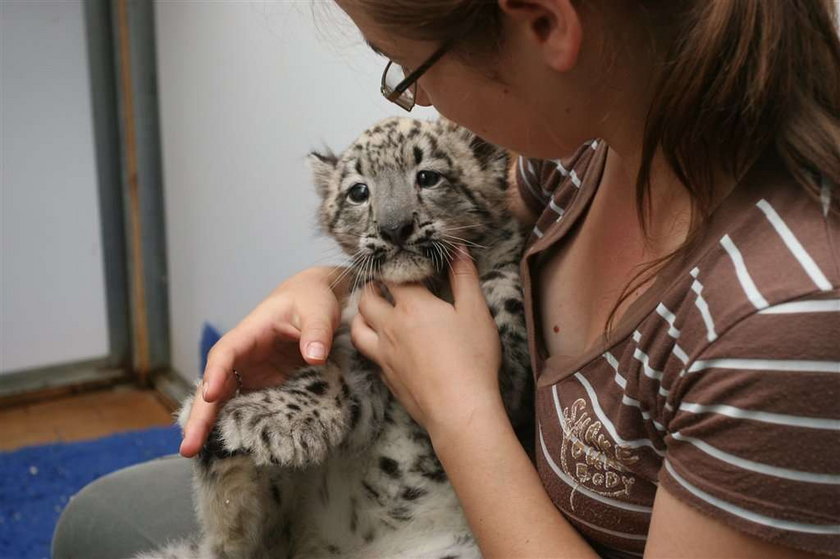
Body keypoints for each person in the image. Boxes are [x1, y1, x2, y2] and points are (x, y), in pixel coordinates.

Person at [54, 1, 839, 557]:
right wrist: (325, 288)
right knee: (96, 515)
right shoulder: (577, 160)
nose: (417, 99)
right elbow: (441, 238)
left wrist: (459, 407)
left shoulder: (785, 326)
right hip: (389, 495)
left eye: (408, 70)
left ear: (543, 23)